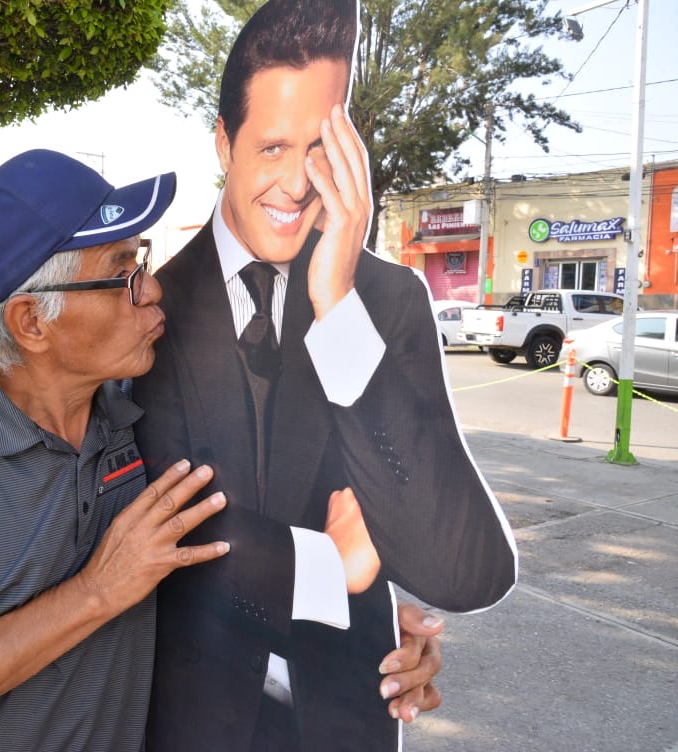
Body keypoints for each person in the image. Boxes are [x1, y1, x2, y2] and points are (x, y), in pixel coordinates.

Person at [0, 150, 442, 751]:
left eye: (143, 260)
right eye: (123, 271)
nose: (152, 288)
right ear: (32, 322)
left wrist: (369, 626)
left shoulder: (141, 418)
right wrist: (98, 590)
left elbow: (230, 558)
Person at [132, 1, 517, 750]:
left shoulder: (387, 300)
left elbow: (464, 569)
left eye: (318, 149)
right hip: (187, 724)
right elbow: (150, 533)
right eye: (273, 146)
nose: (296, 184)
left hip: (346, 724)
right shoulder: (148, 311)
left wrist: (338, 304)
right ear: (224, 141)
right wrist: (331, 570)